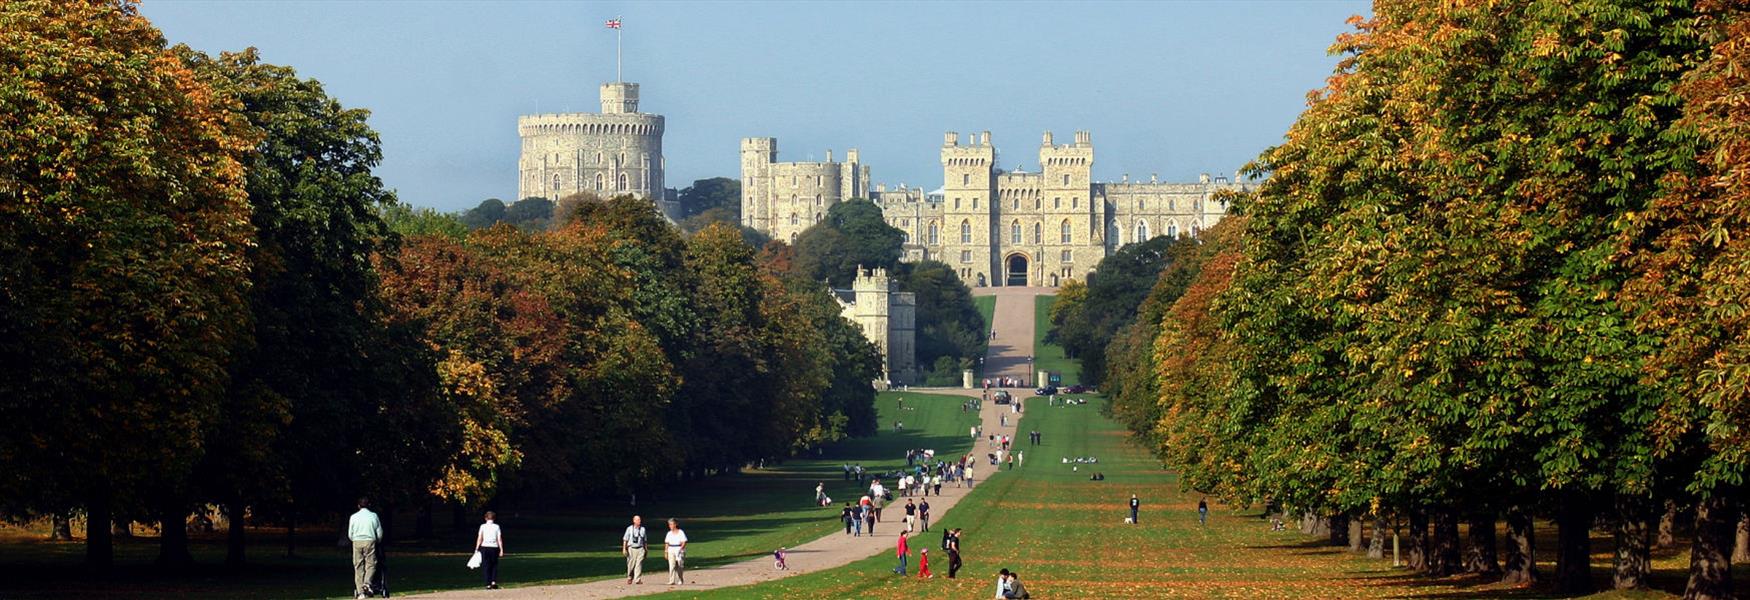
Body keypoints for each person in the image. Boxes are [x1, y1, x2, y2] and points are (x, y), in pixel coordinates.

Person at [348, 497, 383, 600]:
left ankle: (360, 592)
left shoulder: (353, 517)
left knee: (358, 566)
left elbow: (350, 533)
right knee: (371, 564)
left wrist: (354, 539)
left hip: (357, 541)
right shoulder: (373, 516)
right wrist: (378, 541)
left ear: (358, 506)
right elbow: (379, 532)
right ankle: (367, 582)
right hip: (369, 540)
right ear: (369, 505)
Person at [475, 511, 504, 590]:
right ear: (494, 518)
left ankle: (488, 584)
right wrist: (501, 549)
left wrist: (477, 548)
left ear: (485, 518)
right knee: (494, 565)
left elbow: (480, 538)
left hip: (485, 547)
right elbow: (499, 539)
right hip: (494, 547)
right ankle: (493, 581)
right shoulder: (497, 526)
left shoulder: (482, 526)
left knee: (486, 566)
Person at [622, 515, 648, 584]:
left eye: (639, 519)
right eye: (637, 520)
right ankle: (630, 577)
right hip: (631, 548)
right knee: (631, 564)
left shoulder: (643, 529)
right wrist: (624, 549)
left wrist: (646, 550)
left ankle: (637, 579)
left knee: (639, 564)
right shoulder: (629, 529)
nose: (639, 521)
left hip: (640, 548)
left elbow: (644, 540)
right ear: (634, 521)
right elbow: (625, 539)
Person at [663, 518, 687, 585]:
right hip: (671, 549)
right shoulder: (669, 533)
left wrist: (681, 549)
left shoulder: (681, 532)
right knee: (671, 565)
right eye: (669, 525)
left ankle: (680, 578)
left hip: (679, 548)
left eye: (671, 524)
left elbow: (684, 542)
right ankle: (671, 580)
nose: (670, 526)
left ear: (675, 524)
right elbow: (667, 543)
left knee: (680, 566)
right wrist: (666, 552)